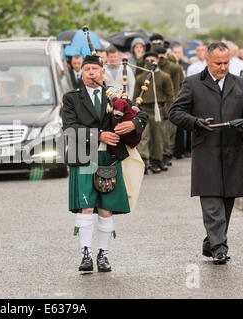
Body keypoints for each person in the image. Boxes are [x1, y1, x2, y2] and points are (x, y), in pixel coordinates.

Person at [169, 42, 243, 264]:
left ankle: (212, 241)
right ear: (207, 60)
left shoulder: (240, 83)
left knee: (226, 205)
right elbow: (175, 112)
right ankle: (219, 248)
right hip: (206, 153)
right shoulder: (192, 83)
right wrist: (195, 122)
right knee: (212, 204)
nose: (223, 67)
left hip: (233, 154)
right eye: (218, 63)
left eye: (226, 62)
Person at [62, 54, 147, 273]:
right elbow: (69, 128)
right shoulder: (71, 98)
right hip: (84, 155)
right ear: (81, 74)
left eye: (94, 69)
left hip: (110, 157)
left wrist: (133, 124)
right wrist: (98, 135)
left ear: (103, 72)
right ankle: (86, 254)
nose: (91, 73)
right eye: (86, 69)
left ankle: (103, 255)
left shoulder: (115, 96)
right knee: (86, 205)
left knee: (106, 207)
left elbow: (141, 116)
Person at [134, 51, 174, 174]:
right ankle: (144, 161)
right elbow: (136, 96)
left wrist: (168, 111)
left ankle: (157, 160)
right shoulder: (140, 78)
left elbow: (170, 95)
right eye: (147, 60)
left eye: (153, 60)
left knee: (158, 137)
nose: (150, 62)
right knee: (144, 137)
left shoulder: (164, 76)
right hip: (144, 110)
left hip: (159, 111)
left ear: (157, 60)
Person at [155, 47, 183, 168]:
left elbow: (178, 86)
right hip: (157, 102)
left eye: (163, 55)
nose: (160, 58)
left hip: (171, 101)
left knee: (169, 131)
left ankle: (167, 154)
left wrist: (174, 103)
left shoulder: (174, 68)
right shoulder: (153, 67)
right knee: (159, 132)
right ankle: (160, 155)